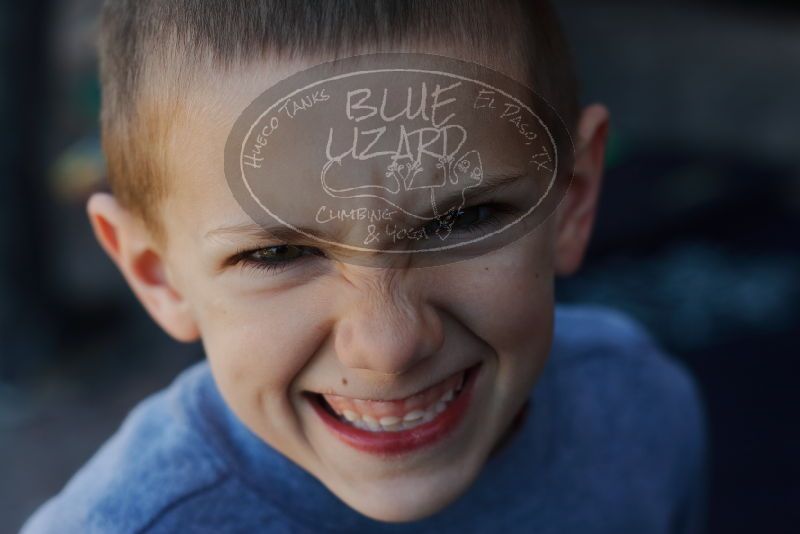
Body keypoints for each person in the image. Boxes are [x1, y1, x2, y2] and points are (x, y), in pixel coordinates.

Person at [22, 0, 707, 532]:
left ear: (572, 201)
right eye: (279, 253)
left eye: (464, 219)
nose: (390, 346)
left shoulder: (638, 413)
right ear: (157, 274)